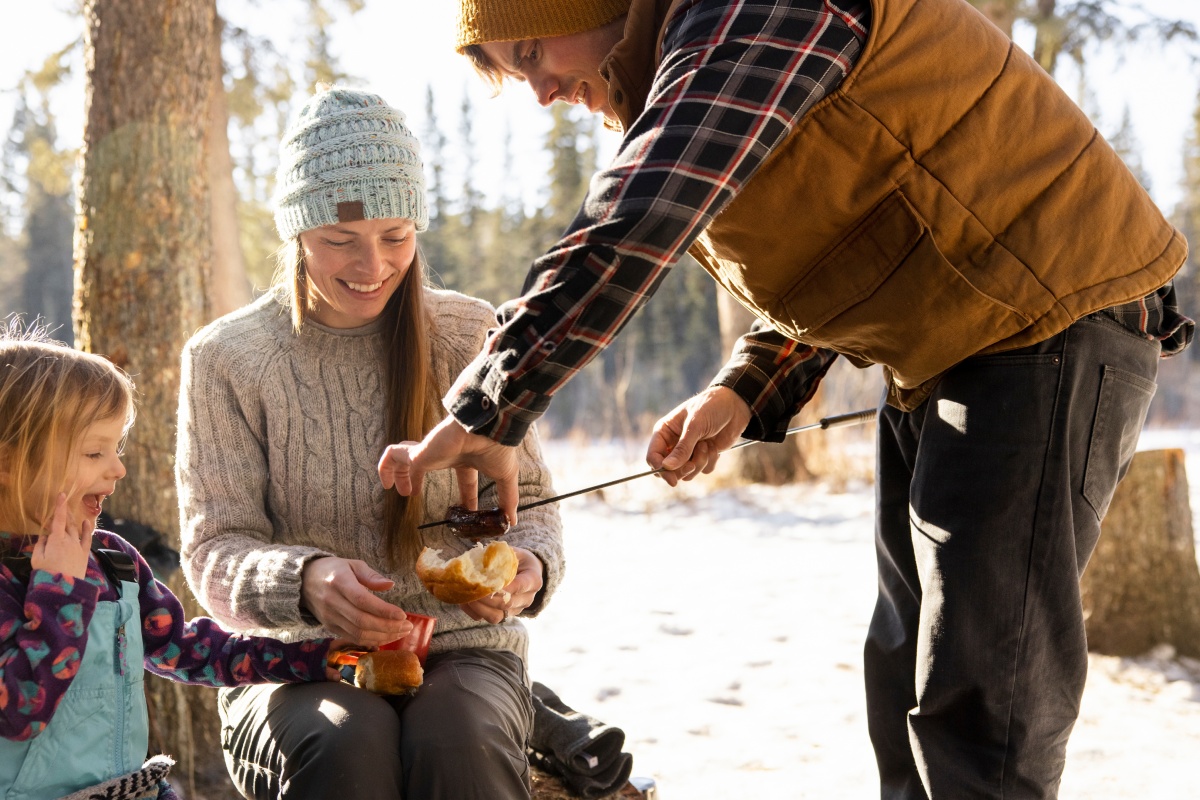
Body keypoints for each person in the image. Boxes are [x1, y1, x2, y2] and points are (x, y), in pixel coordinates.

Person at [376, 1, 1195, 798]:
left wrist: (493, 403)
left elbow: (642, 213)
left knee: (983, 704)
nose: (542, 92)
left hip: (1040, 327)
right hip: (953, 346)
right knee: (905, 680)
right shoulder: (698, 53)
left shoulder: (752, 11)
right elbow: (857, 227)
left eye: (529, 55)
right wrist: (748, 386)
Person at [176, 86, 564, 800]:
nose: (373, 265)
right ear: (296, 233)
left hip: (465, 652)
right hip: (294, 661)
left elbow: (534, 503)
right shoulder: (226, 359)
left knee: (461, 744)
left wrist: (528, 568)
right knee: (349, 743)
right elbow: (212, 550)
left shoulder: (468, 333)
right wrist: (305, 582)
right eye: (339, 241)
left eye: (396, 236)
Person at [0, 325, 345, 800]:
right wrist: (58, 589)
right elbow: (17, 710)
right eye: (94, 452)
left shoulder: (112, 560)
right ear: (9, 462)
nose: (117, 468)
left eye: (116, 448)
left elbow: (184, 647)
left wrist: (308, 656)